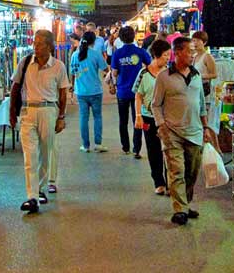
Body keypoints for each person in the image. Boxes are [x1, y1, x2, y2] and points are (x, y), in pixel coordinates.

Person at [152, 36, 216, 226]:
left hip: (195, 132)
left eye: (194, 52)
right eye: (190, 51)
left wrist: (205, 127)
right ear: (177, 52)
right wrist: (161, 125)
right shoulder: (164, 77)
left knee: (192, 172)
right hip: (172, 133)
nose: (192, 55)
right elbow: (155, 105)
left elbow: (202, 105)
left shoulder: (196, 76)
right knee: (177, 171)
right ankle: (179, 209)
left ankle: (186, 203)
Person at [9, 30, 69, 214]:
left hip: (49, 110)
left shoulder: (58, 66)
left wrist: (61, 117)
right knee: (30, 156)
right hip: (28, 111)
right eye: (35, 42)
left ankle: (40, 188)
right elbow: (15, 86)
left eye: (40, 43)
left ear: (49, 46)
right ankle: (32, 196)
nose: (35, 46)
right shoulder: (26, 62)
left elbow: (63, 93)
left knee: (45, 152)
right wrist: (12, 113)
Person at [133, 39, 170, 195]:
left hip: (167, 118)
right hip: (148, 118)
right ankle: (159, 182)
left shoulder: (170, 72)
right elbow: (138, 96)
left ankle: (171, 183)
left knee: (169, 150)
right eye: (166, 55)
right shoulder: (143, 73)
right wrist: (138, 116)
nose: (168, 58)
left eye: (169, 55)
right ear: (157, 55)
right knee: (153, 149)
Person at [110, 26, 151, 158]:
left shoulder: (117, 53)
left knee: (123, 120)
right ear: (134, 36)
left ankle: (125, 146)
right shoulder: (140, 52)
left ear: (120, 38)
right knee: (138, 119)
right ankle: (137, 149)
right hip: (138, 93)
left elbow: (114, 73)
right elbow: (150, 67)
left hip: (122, 91)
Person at [69, 31, 108, 153]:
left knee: (83, 118)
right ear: (94, 41)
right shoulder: (96, 54)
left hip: (81, 92)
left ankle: (85, 146)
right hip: (95, 91)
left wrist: (72, 86)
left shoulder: (75, 55)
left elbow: (73, 73)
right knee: (97, 117)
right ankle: (98, 144)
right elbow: (105, 69)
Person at [191, 31, 218, 106]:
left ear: (204, 43)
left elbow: (214, 74)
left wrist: (199, 76)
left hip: (205, 90)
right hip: (195, 89)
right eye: (193, 40)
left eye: (198, 41)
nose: (195, 43)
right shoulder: (194, 56)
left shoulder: (207, 57)